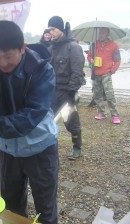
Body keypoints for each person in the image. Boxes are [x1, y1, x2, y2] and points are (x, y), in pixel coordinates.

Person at [0, 20, 59, 224]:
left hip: (40, 147)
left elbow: (35, 112)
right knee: (11, 207)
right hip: (9, 149)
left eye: (8, 56)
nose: (3, 63)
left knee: (46, 210)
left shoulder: (42, 70)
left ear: (22, 48)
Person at [47, 16, 86, 160]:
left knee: (71, 121)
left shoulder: (73, 47)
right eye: (50, 30)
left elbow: (77, 72)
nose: (51, 32)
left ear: (61, 29)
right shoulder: (51, 48)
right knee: (48, 120)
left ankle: (77, 148)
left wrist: (72, 93)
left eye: (54, 29)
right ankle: (48, 147)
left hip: (67, 92)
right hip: (52, 92)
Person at [87, 27, 121, 124]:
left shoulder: (114, 46)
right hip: (95, 73)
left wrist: (112, 71)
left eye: (103, 33)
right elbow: (89, 56)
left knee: (110, 95)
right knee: (97, 94)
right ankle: (101, 113)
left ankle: (115, 115)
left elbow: (118, 61)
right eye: (100, 33)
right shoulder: (93, 44)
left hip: (106, 73)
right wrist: (91, 60)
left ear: (107, 34)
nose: (101, 35)